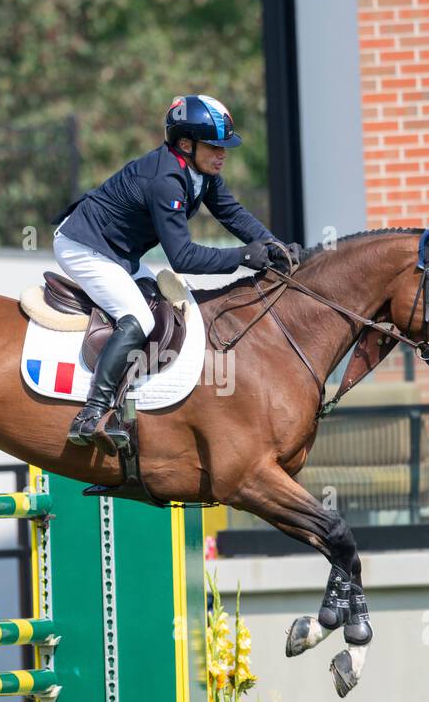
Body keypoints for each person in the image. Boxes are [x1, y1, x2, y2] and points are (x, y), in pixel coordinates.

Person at [51, 94, 300, 451]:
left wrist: (275, 246)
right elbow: (182, 257)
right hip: (83, 246)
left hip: (119, 254)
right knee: (138, 318)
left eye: (224, 147)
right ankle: (92, 413)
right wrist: (244, 256)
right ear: (186, 144)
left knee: (167, 308)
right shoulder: (166, 180)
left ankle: (132, 402)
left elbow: (232, 213)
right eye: (214, 146)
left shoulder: (201, 172)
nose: (222, 154)